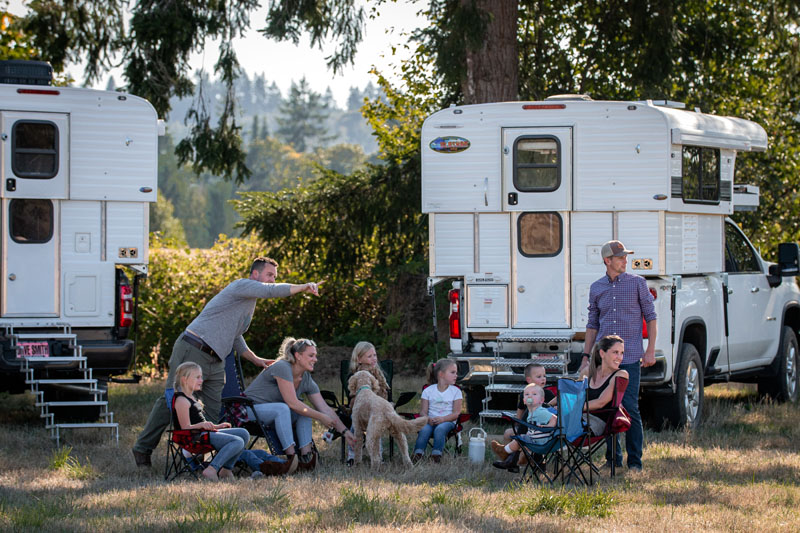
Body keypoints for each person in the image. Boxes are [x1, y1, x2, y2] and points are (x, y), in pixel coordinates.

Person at [132, 257, 322, 468]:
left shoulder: (249, 304)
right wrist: (303, 286)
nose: (272, 280)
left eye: (274, 277)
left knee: (212, 410)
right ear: (255, 274)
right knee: (174, 400)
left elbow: (235, 336)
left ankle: (208, 460)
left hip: (217, 359)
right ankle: (143, 448)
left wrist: (255, 359)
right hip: (194, 347)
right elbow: (270, 291)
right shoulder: (240, 286)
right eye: (269, 275)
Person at [581, 240, 656, 472]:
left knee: (629, 407)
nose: (625, 260)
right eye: (621, 257)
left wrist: (650, 349)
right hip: (603, 359)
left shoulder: (637, 284)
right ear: (607, 261)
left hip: (630, 355)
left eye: (625, 257)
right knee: (606, 408)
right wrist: (586, 356)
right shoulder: (596, 288)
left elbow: (651, 316)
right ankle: (613, 458)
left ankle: (635, 463)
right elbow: (593, 323)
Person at [244, 337, 357, 471]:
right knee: (285, 408)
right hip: (248, 411)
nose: (315, 359)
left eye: (315, 356)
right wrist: (320, 417)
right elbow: (292, 403)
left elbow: (325, 408)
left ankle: (306, 457)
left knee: (304, 412)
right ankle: (292, 459)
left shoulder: (306, 378)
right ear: (298, 356)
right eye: (311, 355)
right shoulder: (282, 367)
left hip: (273, 415)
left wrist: (345, 432)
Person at [171, 362, 251, 481]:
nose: (201, 380)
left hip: (203, 434)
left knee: (244, 433)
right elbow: (185, 428)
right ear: (184, 379)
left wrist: (216, 426)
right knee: (237, 441)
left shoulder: (193, 398)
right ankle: (212, 469)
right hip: (193, 438)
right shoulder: (181, 400)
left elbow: (200, 423)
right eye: (197, 377)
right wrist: (203, 425)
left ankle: (226, 470)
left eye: (201, 377)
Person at [495, 363, 555, 471]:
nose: (543, 379)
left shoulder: (548, 394)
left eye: (544, 376)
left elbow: (554, 414)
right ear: (529, 380)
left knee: (529, 417)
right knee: (509, 433)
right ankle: (514, 461)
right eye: (539, 376)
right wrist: (519, 426)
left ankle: (510, 457)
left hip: (543, 430)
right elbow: (519, 417)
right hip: (527, 428)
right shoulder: (525, 394)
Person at [345, 341, 389, 465]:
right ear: (359, 359)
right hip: (359, 411)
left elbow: (385, 393)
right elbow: (352, 396)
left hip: (377, 410)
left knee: (376, 423)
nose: (374, 359)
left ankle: (378, 456)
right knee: (355, 426)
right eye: (369, 356)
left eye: (374, 355)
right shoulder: (354, 376)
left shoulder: (379, 375)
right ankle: (352, 455)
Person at [412, 359, 463, 463]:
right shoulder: (428, 390)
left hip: (448, 421)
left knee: (440, 429)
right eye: (452, 372)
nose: (456, 375)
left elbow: (456, 413)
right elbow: (423, 412)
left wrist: (443, 419)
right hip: (430, 420)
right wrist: (428, 419)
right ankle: (417, 454)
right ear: (441, 374)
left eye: (456, 373)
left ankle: (436, 455)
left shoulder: (456, 391)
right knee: (424, 429)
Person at [584, 335, 629, 436]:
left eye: (622, 353)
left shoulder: (621, 374)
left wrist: (570, 408)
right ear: (602, 353)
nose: (620, 357)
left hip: (596, 423)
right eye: (615, 352)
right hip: (578, 417)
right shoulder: (589, 372)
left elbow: (601, 402)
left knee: (554, 424)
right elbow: (571, 392)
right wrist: (550, 405)